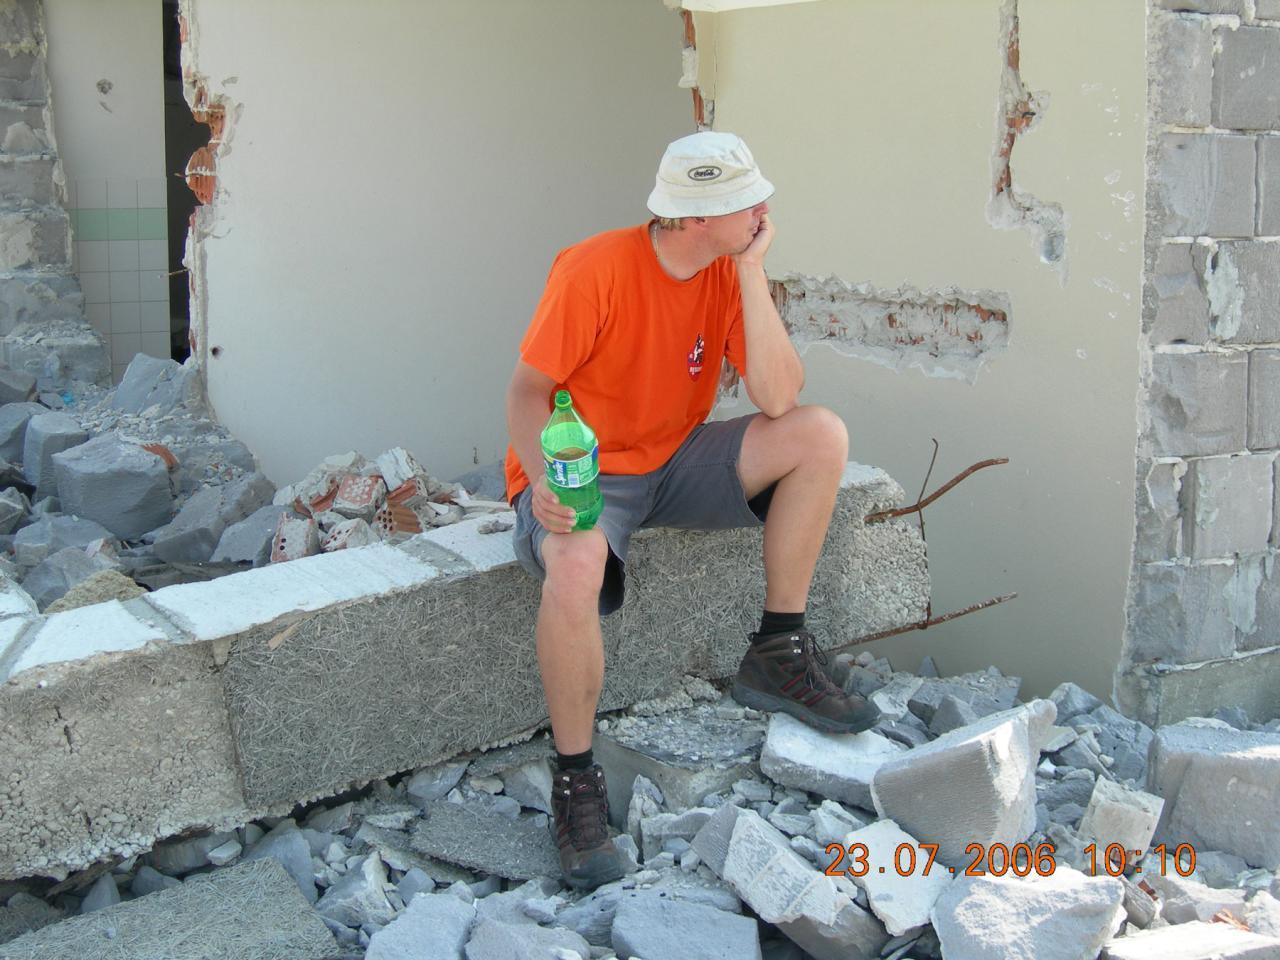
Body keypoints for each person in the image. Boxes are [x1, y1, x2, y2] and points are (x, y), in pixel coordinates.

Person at [503, 131, 880, 890]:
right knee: (574, 563)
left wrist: (752, 272)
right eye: (748, 203)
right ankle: (576, 781)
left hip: (674, 460)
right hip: (585, 469)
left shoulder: (725, 271)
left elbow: (780, 397)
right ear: (699, 216)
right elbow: (526, 392)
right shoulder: (594, 269)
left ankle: (777, 651)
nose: (765, 211)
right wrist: (543, 481)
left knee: (820, 435)